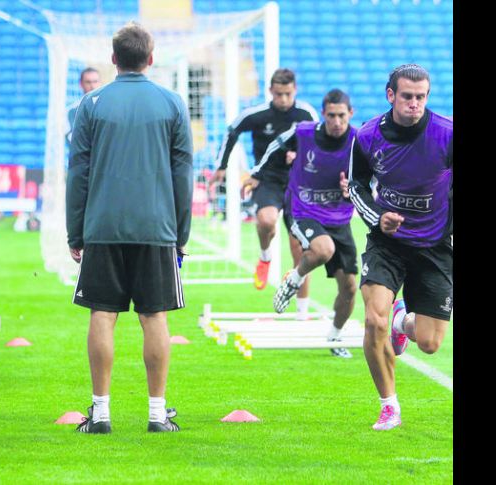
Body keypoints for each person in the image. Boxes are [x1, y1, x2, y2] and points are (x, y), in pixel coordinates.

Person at [66, 22, 193, 434]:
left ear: (114, 58)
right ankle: (157, 414)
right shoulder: (172, 104)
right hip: (157, 227)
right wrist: (182, 232)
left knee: (103, 314)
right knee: (154, 317)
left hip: (103, 226)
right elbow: (183, 174)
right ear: (150, 59)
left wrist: (75, 231)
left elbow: (78, 173)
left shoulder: (92, 104)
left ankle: (100, 413)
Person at [347, 64, 452, 431]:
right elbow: (357, 187)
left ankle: (402, 321)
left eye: (421, 97)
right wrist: (378, 218)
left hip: (435, 245)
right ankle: (389, 404)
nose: (414, 104)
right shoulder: (367, 135)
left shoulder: (446, 134)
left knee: (429, 343)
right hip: (387, 243)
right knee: (373, 319)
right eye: (407, 96)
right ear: (390, 95)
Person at [244, 89, 359, 358]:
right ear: (323, 114)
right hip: (304, 210)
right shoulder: (304, 133)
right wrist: (257, 174)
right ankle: (294, 279)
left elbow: (369, 175)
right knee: (322, 249)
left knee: (350, 287)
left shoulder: (359, 140)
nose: (336, 121)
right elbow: (274, 146)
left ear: (350, 114)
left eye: (341, 116)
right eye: (331, 115)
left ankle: (335, 336)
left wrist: (351, 186)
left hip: (339, 217)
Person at [211, 68, 318, 317]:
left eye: (288, 94)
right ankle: (265, 256)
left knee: (300, 250)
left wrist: (300, 156)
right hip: (267, 180)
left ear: (295, 91)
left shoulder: (305, 113)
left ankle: (302, 313)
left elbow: (318, 143)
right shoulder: (258, 114)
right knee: (266, 220)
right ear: (271, 91)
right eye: (279, 94)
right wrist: (221, 166)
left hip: (297, 184)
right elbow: (232, 130)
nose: (283, 99)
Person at [66, 67, 101, 144]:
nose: (92, 86)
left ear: (100, 83)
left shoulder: (108, 108)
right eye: (88, 82)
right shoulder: (72, 111)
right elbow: (69, 136)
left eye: (95, 81)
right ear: (81, 84)